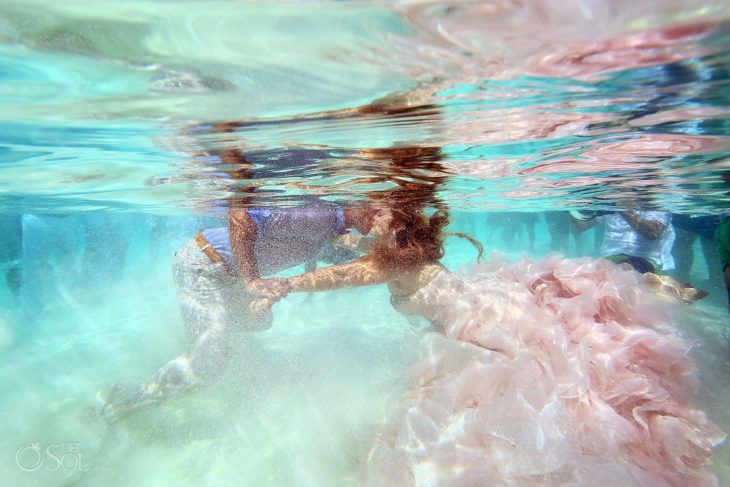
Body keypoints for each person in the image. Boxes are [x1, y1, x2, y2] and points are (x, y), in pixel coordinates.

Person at [255, 196, 723, 485]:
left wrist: (284, 285)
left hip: (480, 325)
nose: (368, 218)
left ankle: (656, 284)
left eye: (376, 213)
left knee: (548, 392)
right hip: (487, 301)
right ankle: (658, 285)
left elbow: (342, 276)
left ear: (395, 221)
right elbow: (361, 258)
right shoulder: (404, 249)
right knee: (567, 346)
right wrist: (347, 248)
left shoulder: (389, 261)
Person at [96, 199, 377, 424]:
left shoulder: (331, 228)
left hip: (225, 274)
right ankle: (123, 403)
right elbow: (242, 215)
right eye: (381, 207)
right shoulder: (324, 216)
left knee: (259, 320)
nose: (383, 216)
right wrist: (252, 280)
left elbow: (343, 259)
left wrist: (394, 248)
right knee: (210, 362)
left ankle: (210, 332)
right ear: (361, 201)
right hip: (205, 265)